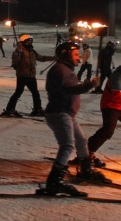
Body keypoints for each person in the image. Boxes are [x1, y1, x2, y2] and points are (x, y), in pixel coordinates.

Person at [41, 42, 109, 197]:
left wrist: (87, 85)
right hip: (59, 113)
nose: (79, 58)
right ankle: (55, 181)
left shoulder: (65, 69)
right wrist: (89, 85)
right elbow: (67, 89)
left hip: (67, 113)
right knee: (67, 145)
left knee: (81, 141)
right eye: (76, 55)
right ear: (66, 55)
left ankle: (86, 169)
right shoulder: (60, 70)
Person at [2, 34, 56, 117]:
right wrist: (17, 53)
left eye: (31, 41)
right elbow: (15, 60)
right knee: (18, 93)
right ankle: (9, 109)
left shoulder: (32, 51)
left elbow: (41, 58)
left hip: (31, 76)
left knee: (35, 93)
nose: (30, 43)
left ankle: (37, 109)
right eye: (28, 41)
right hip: (22, 76)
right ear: (24, 42)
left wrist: (53, 58)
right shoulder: (20, 51)